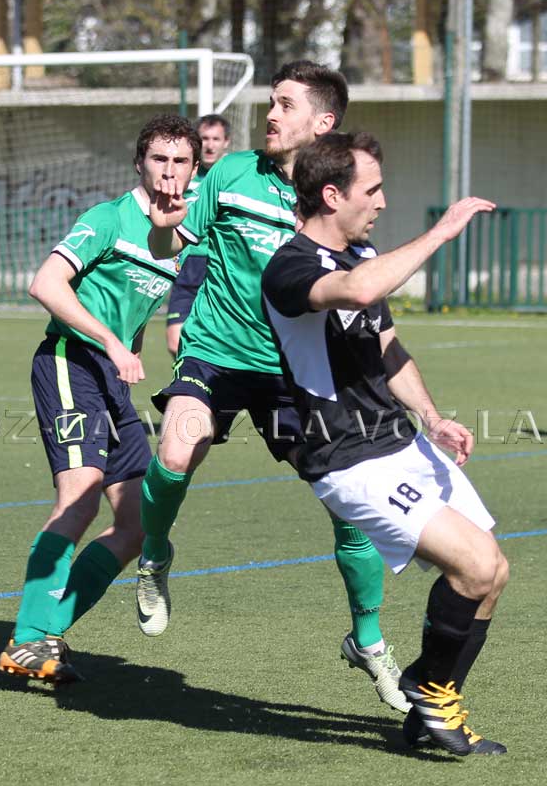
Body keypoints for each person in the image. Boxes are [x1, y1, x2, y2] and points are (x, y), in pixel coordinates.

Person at [136, 61, 409, 714]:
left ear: (323, 121)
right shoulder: (231, 174)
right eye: (271, 102)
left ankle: (368, 641)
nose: (271, 114)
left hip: (294, 375)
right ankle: (154, 556)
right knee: (175, 453)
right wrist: (165, 226)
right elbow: (172, 247)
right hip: (216, 355)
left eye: (285, 104)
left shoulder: (333, 196)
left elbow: (359, 287)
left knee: (351, 506)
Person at [261, 131, 509, 756]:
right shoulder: (289, 267)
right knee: (474, 565)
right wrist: (441, 233)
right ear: (331, 195)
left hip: (399, 441)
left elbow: (387, 346)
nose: (382, 201)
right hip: (347, 459)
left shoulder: (361, 253)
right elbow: (360, 290)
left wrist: (431, 416)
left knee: (492, 573)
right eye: (371, 190)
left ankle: (432, 700)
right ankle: (429, 692)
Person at [0, 114, 200, 682]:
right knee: (80, 498)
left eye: (180, 161)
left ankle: (46, 631)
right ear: (139, 164)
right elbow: (45, 283)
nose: (169, 172)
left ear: (193, 169)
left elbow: (144, 300)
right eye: (159, 159)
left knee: (137, 525)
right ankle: (28, 639)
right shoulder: (108, 219)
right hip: (70, 362)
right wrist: (111, 341)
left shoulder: (182, 233)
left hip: (112, 381)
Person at [166, 113, 231, 357]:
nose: (210, 145)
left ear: (226, 142)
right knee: (175, 342)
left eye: (216, 139)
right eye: (204, 138)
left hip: (220, 263)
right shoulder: (183, 175)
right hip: (187, 262)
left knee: (220, 340)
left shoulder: (232, 178)